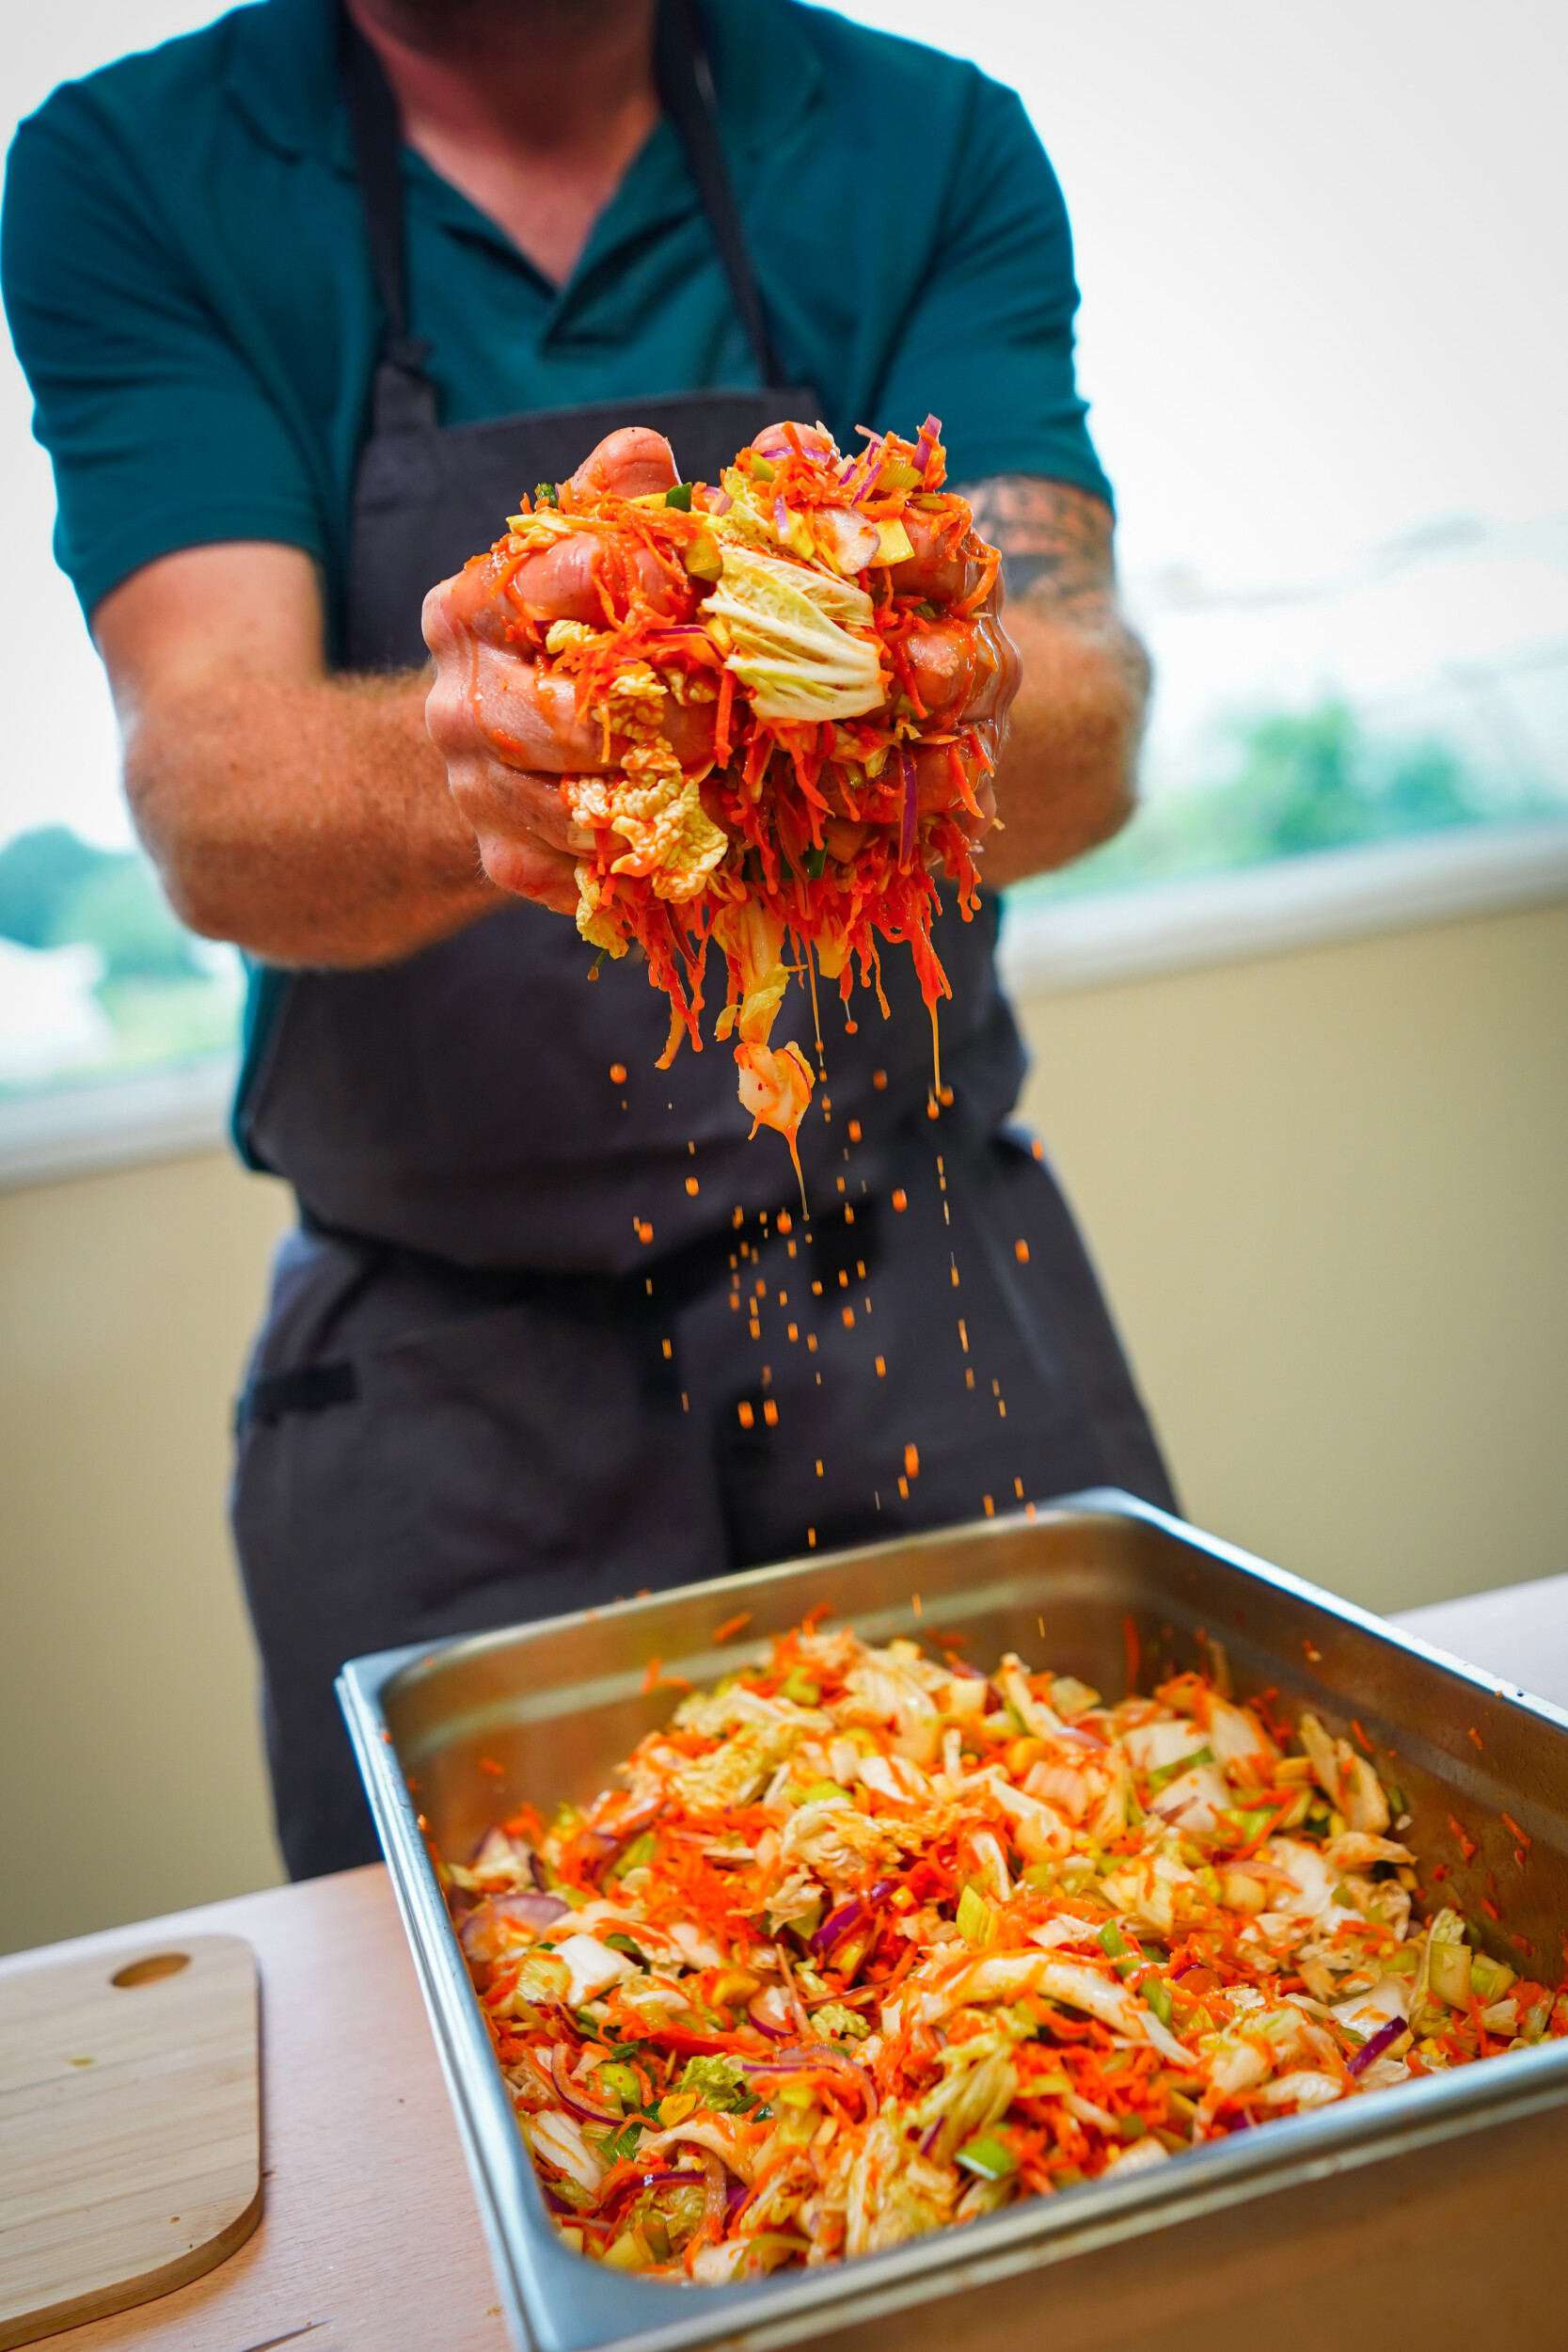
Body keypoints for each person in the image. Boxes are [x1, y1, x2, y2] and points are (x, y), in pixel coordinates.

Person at [3, 0, 1175, 1881]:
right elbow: (209, 792)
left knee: (1128, 1950)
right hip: (451, 1390)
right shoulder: (134, 169)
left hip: (926, 1299)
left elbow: (1086, 708)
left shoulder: (920, 138)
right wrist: (488, 758)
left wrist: (862, 682)